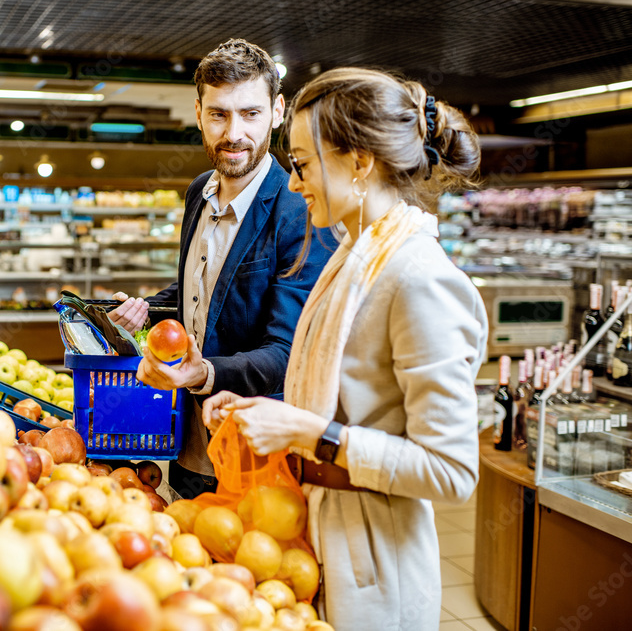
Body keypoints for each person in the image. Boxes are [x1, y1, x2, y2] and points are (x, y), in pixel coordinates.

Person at [202, 67, 488, 629]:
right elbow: (340, 398)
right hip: (323, 537)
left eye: (303, 165)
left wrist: (307, 434)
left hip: (374, 564)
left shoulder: (417, 278)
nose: (292, 183)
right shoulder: (353, 254)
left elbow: (453, 470)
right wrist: (264, 414)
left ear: (360, 162)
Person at [109, 38, 335, 500]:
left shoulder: (301, 210)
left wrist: (202, 372)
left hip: (254, 455)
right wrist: (146, 310)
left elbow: (286, 352)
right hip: (185, 443)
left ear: (276, 111)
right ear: (198, 114)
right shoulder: (199, 192)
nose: (234, 132)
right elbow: (201, 290)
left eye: (250, 114)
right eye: (219, 114)